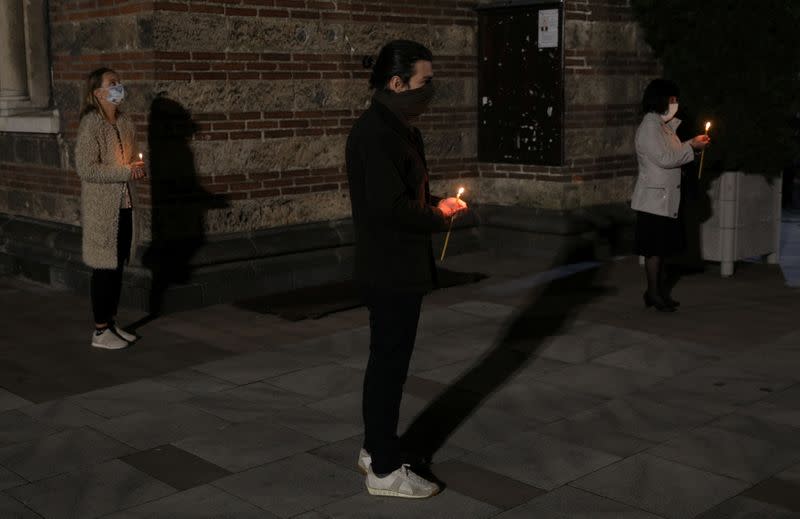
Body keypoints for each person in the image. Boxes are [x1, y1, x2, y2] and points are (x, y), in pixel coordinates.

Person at [346, 40, 467, 498]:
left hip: (400, 263)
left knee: (388, 361)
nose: (429, 90)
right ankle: (383, 469)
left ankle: (374, 448)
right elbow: (389, 209)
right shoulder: (374, 133)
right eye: (424, 81)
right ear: (396, 83)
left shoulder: (399, 127)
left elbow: (404, 194)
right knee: (389, 366)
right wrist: (436, 216)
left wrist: (438, 202)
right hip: (389, 266)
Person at [75, 67, 146, 349]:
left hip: (125, 204)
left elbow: (132, 160)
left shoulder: (125, 122)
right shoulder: (91, 124)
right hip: (103, 209)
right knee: (104, 268)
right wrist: (125, 172)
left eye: (119, 82)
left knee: (118, 267)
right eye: (112, 83)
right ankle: (100, 330)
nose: (119, 87)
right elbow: (86, 168)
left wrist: (138, 169)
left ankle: (112, 322)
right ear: (98, 93)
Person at [631, 79, 710, 312]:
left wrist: (691, 144)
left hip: (663, 199)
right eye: (672, 99)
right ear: (661, 99)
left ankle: (655, 291)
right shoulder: (649, 126)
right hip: (654, 201)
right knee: (654, 249)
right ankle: (654, 293)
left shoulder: (661, 125)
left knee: (661, 248)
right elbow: (664, 158)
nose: (675, 104)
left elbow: (671, 152)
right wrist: (692, 147)